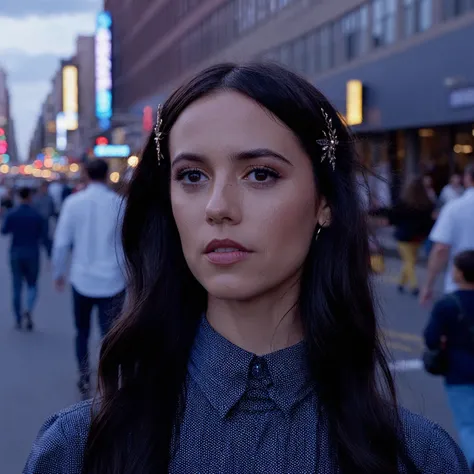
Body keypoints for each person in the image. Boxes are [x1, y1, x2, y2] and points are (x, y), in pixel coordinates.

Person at [24, 63, 469, 473]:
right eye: (192, 177)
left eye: (260, 174)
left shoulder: (418, 457)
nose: (218, 208)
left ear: (325, 202)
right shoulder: (79, 449)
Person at [51, 159, 126, 397]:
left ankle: (84, 376)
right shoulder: (119, 204)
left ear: (85, 174)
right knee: (110, 333)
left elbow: (62, 242)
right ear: (106, 175)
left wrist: (58, 272)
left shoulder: (73, 203)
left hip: (81, 277)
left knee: (81, 330)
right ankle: (108, 378)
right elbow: (127, 245)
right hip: (113, 279)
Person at [424, 250, 474, 471]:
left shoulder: (447, 304)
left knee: (468, 425)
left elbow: (431, 338)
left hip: (459, 372)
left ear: (461, 274)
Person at [421, 164, 474, 305]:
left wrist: (428, 285)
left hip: (460, 289)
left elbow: (440, 249)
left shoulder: (454, 208)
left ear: (468, 179)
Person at [1, 187, 48, 330]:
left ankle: (17, 317)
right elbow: (44, 236)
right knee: (32, 284)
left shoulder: (12, 213)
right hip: (32, 252)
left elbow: (4, 231)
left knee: (16, 286)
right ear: (30, 197)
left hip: (16, 252)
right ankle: (28, 308)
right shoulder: (37, 214)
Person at [386, 177, 435, 296]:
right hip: (418, 237)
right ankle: (412, 285)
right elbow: (429, 222)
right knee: (410, 261)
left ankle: (404, 283)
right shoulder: (427, 204)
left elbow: (393, 218)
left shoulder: (402, 203)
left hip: (403, 236)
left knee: (409, 261)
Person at [32, 181, 55, 258]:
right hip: (37, 220)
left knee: (46, 237)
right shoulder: (35, 197)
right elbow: (33, 208)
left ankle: (50, 253)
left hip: (45, 220)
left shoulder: (49, 197)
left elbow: (52, 208)